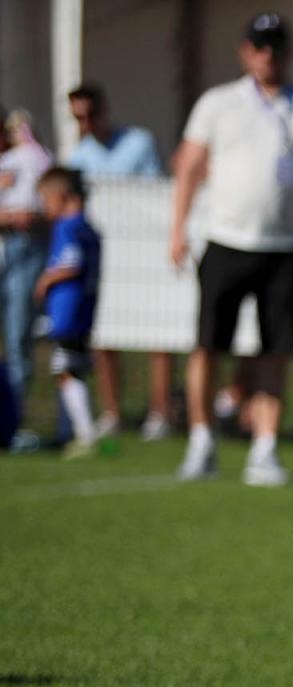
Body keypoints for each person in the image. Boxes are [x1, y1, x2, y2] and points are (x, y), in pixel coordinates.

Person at [168, 12, 293, 486]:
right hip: (227, 240)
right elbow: (190, 165)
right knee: (208, 347)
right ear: (245, 51)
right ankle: (201, 440)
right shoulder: (218, 103)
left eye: (275, 46)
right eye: (259, 46)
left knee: (275, 351)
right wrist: (178, 227)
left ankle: (265, 448)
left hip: (283, 246)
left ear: (288, 52)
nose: (266, 55)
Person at [64, 83, 173, 443]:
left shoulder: (138, 143)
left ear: (104, 110)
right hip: (104, 259)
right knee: (104, 335)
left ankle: (160, 413)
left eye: (90, 115)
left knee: (158, 336)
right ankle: (112, 413)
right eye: (78, 118)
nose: (86, 124)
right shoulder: (78, 157)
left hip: (143, 253)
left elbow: (153, 194)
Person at [32, 167, 101, 458]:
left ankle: (85, 434)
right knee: (72, 368)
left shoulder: (68, 227)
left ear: (62, 197)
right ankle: (69, 432)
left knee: (65, 369)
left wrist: (46, 279)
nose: (45, 209)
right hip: (84, 308)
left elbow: (71, 263)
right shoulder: (89, 227)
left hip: (67, 309)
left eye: (47, 201)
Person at [0, 108, 53, 450]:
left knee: (18, 336)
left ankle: (11, 422)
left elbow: (46, 203)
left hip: (24, 250)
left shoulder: (30, 159)